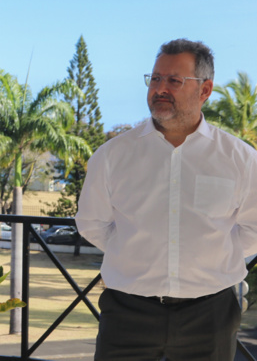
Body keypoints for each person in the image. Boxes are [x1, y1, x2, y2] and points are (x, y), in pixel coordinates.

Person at [77, 38, 257, 360]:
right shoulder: (112, 156)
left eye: (174, 80)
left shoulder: (240, 159)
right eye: (156, 78)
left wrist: (208, 258)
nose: (160, 88)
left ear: (204, 90)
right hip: (127, 312)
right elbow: (93, 224)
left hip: (210, 314)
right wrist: (137, 254)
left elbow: (253, 228)